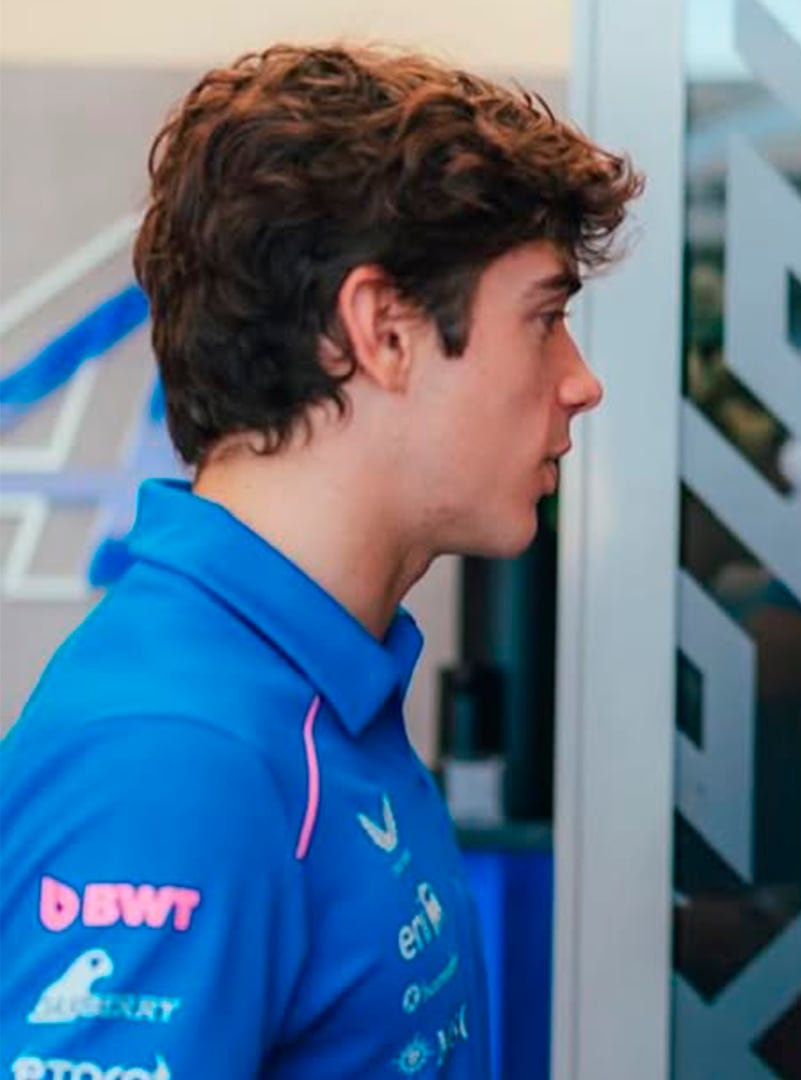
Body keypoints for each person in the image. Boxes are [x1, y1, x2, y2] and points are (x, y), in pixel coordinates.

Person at [0, 45, 640, 1078]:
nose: (580, 382)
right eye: (547, 318)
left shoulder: (320, 689)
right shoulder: (174, 758)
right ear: (381, 330)